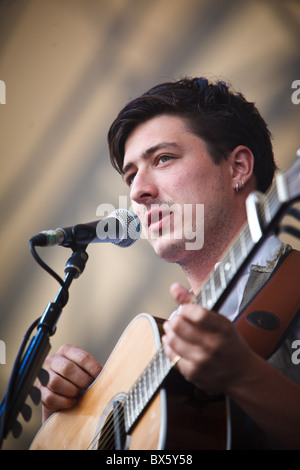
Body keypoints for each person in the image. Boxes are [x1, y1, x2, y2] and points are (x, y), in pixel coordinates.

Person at [38, 77, 300, 449]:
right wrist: (66, 429)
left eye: (162, 159)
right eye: (130, 175)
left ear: (238, 167)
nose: (137, 191)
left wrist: (245, 377)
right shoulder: (152, 349)